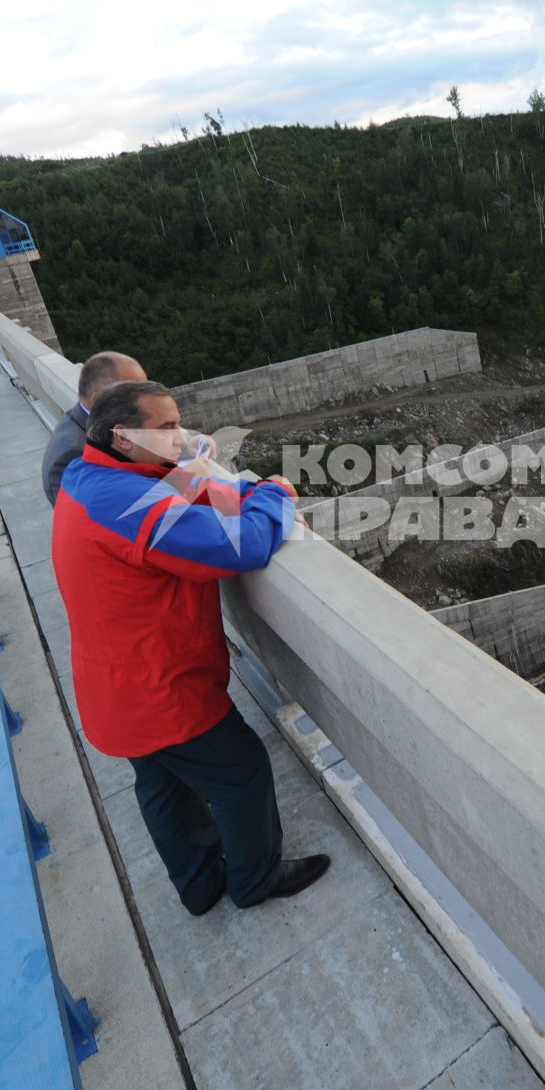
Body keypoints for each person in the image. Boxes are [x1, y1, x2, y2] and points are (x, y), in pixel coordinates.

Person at [51, 380, 330, 913]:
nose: (182, 438)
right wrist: (272, 491)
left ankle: (200, 887)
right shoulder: (125, 504)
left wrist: (233, 493)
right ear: (123, 436)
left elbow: (178, 496)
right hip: (159, 690)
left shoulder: (90, 477)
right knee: (241, 771)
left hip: (113, 687)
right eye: (166, 427)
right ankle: (255, 880)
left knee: (163, 786)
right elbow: (239, 544)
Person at [42, 351, 148, 505]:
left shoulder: (95, 422)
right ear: (99, 399)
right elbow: (117, 513)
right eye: (134, 395)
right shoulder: (73, 456)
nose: (146, 403)